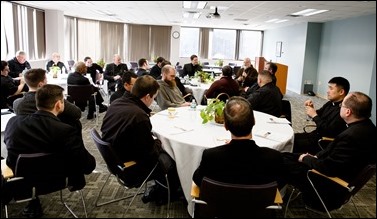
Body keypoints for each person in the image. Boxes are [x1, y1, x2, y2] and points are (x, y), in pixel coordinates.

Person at [4, 84, 96, 218]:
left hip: (21, 184)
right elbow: (88, 166)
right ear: (58, 105)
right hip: (59, 181)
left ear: (37, 104)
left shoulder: (13, 123)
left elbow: (9, 151)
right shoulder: (66, 130)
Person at [280, 91, 376, 210]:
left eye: (342, 106)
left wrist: (307, 158)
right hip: (340, 174)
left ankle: (270, 198)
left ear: (348, 112)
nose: (340, 107)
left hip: (327, 185)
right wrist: (315, 157)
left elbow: (328, 168)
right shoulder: (369, 128)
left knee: (279, 161)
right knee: (286, 156)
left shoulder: (350, 136)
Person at [101, 75, 181, 205]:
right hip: (130, 167)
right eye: (154, 97)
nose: (153, 101)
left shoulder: (117, 103)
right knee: (172, 158)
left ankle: (159, 189)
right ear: (147, 96)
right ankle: (167, 193)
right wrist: (158, 141)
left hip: (115, 158)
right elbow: (150, 154)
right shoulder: (139, 116)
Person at [193, 96, 283, 187]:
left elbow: (197, 180)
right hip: (260, 201)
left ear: (225, 126)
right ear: (254, 121)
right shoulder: (273, 157)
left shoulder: (211, 156)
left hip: (219, 200)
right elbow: (278, 183)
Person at [13, 68, 82, 134]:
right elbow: (77, 113)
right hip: (56, 133)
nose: (47, 82)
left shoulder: (17, 104)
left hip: (31, 137)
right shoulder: (54, 99)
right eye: (46, 80)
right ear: (40, 84)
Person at [293, 77, 350, 154]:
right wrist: (311, 109)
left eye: (331, 88)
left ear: (341, 92)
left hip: (322, 141)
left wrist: (314, 115)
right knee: (291, 137)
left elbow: (327, 131)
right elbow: (317, 115)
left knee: (292, 143)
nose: (327, 91)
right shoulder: (330, 103)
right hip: (315, 135)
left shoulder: (343, 111)